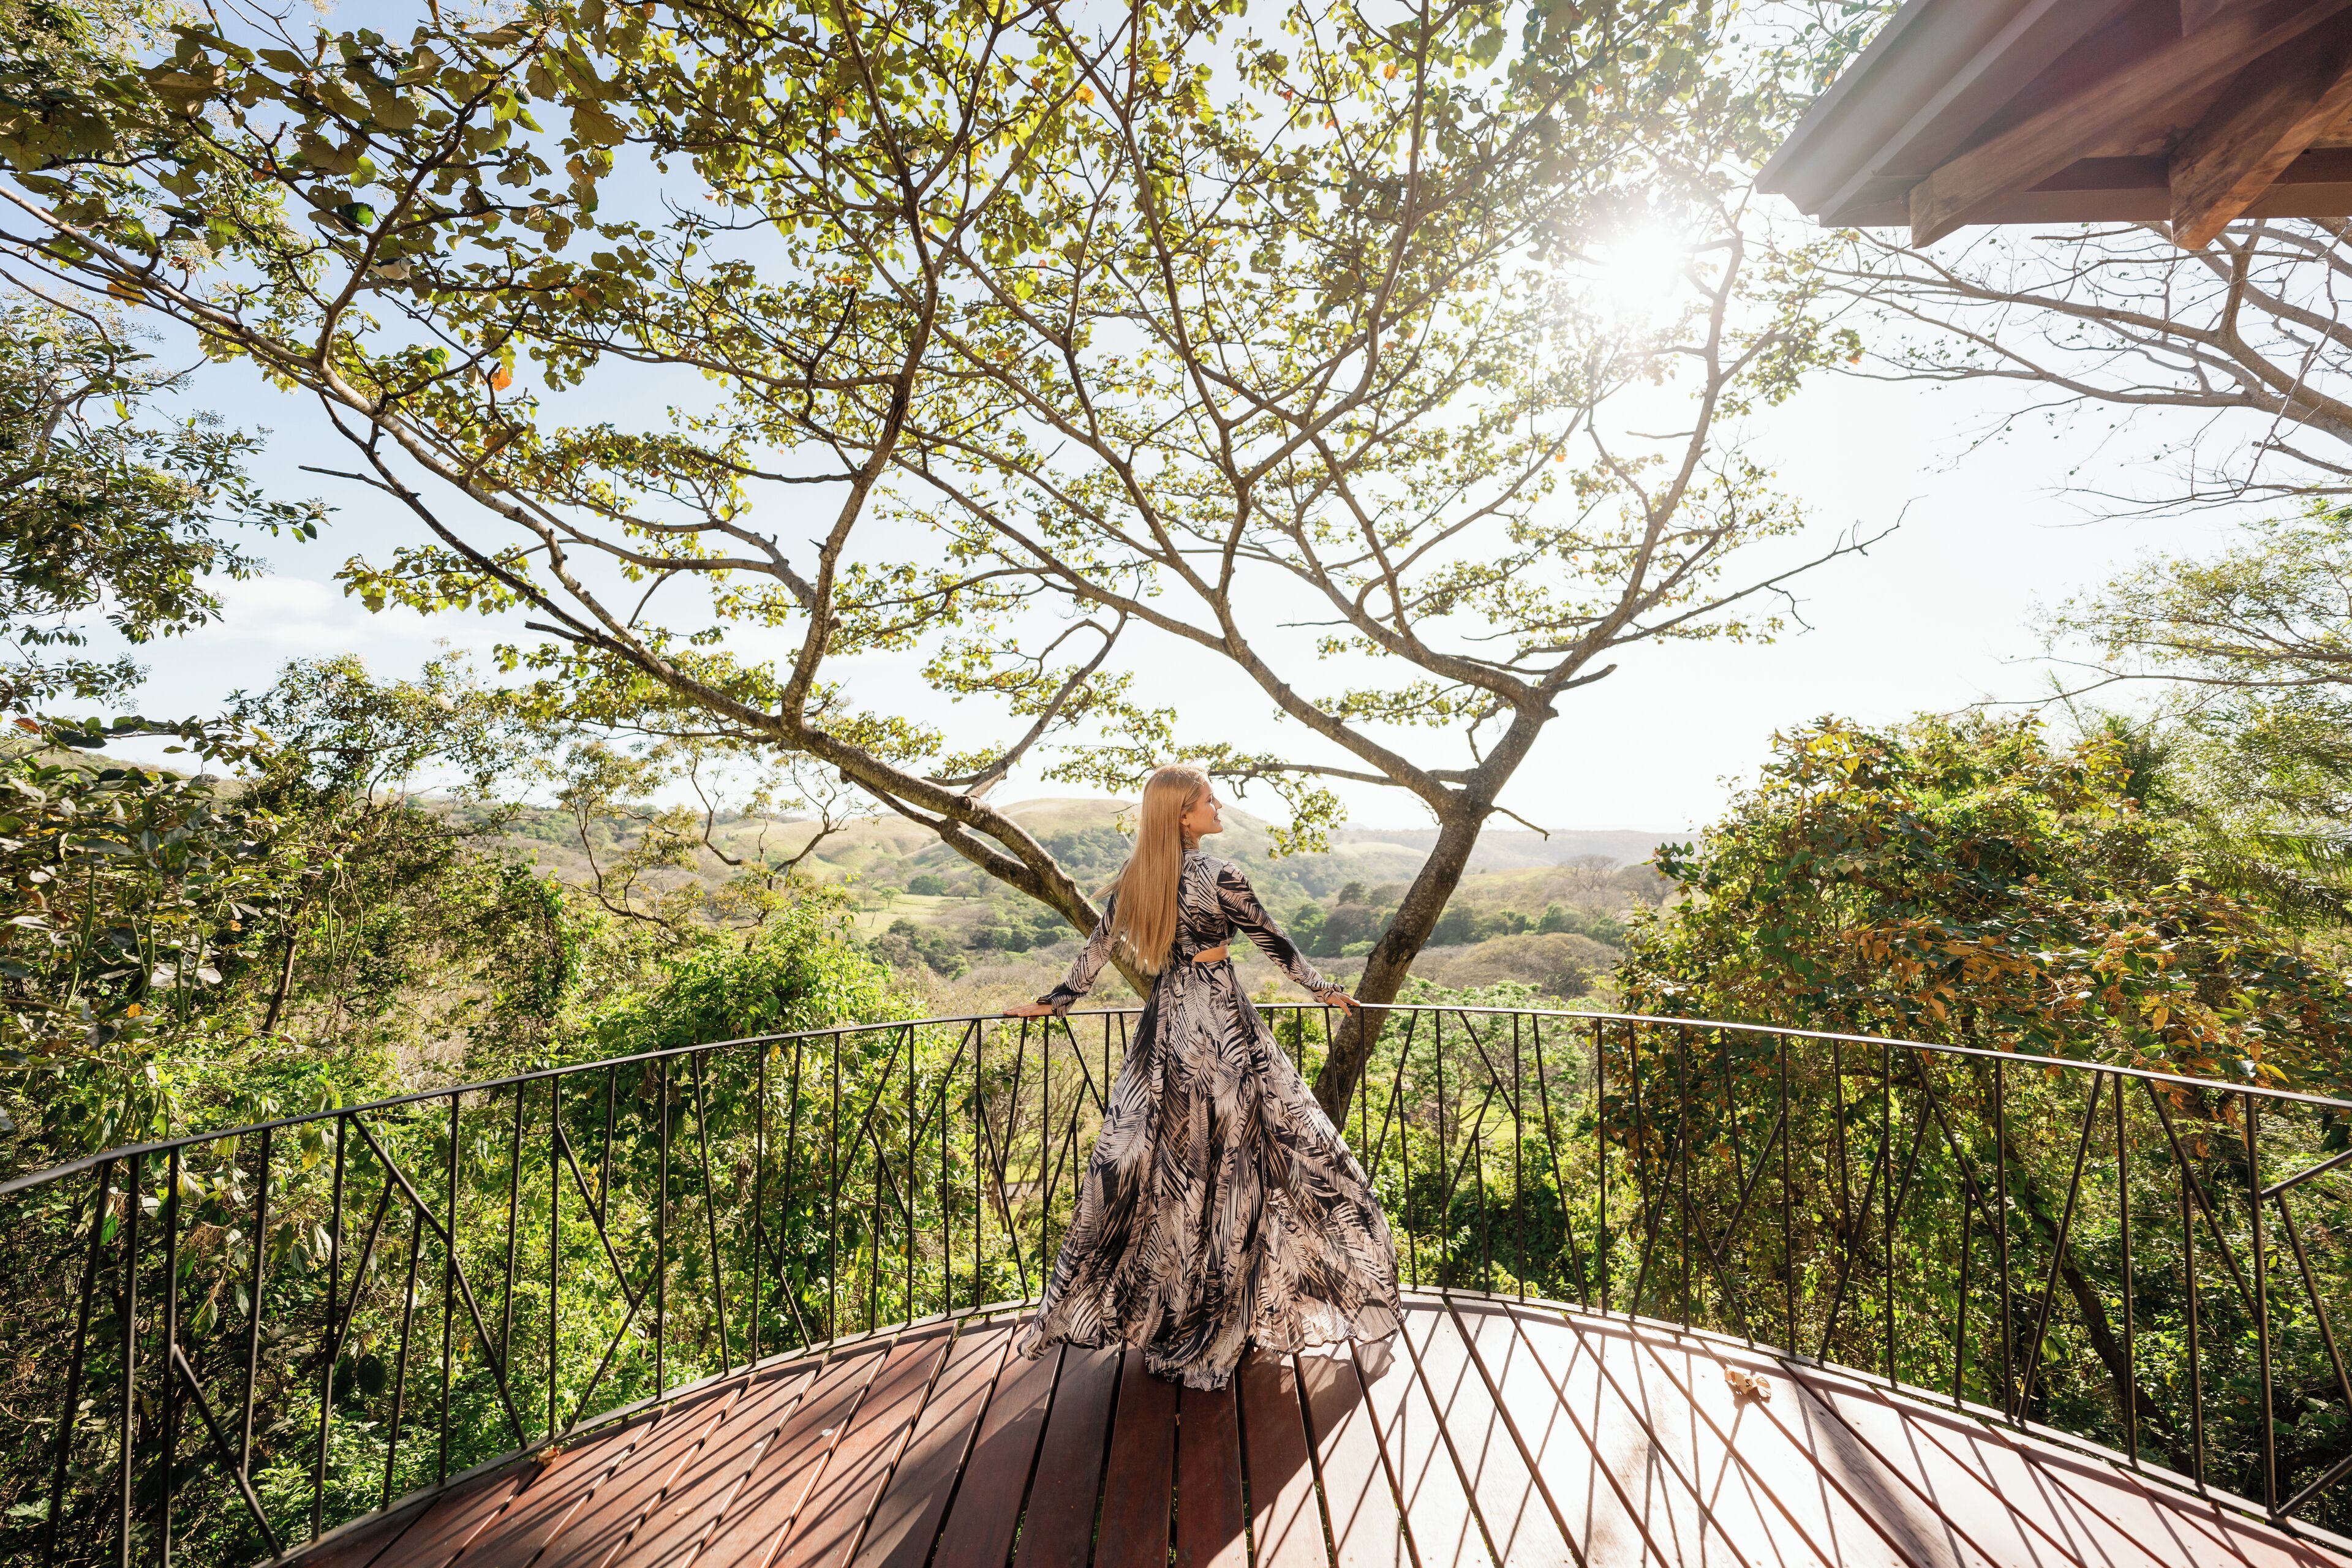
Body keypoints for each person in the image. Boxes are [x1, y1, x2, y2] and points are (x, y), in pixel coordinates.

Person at [1003, 763, 1401, 1390]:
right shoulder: (1221, 875)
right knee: (1244, 1159)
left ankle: (1176, 1309)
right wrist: (1326, 989)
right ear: (1183, 815)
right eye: (1209, 800)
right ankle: (1222, 1313)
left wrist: (1054, 1001)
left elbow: (1096, 952)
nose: (1219, 807)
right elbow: (1274, 941)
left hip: (1166, 1028)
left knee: (1176, 1171)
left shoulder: (1139, 878)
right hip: (1218, 1024)